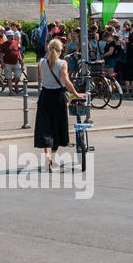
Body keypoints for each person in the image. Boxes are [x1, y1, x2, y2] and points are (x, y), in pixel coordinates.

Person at [34, 38, 84, 169]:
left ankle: (48, 156)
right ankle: (53, 156)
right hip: (58, 97)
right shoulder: (62, 63)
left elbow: (41, 79)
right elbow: (66, 82)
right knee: (57, 127)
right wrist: (76, 93)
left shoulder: (42, 62)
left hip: (45, 96)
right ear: (60, 51)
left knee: (45, 126)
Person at [119, 24, 133, 97]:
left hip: (127, 62)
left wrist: (122, 32)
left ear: (129, 39)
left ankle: (127, 92)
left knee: (127, 79)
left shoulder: (127, 44)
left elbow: (119, 39)